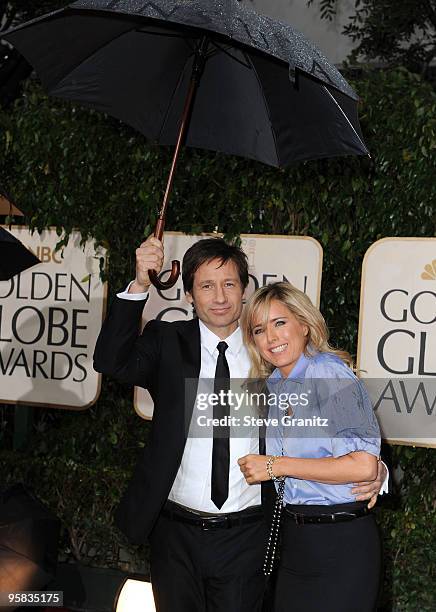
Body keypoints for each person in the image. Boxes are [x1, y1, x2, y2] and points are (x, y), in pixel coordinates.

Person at [93, 237, 387, 612]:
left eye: (229, 284)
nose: (219, 296)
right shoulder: (167, 342)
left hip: (249, 535)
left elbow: (337, 422)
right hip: (173, 533)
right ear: (188, 295)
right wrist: (139, 284)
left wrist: (375, 469)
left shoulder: (271, 357)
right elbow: (109, 360)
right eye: (206, 286)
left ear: (244, 290)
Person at [238, 282, 383, 612]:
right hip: (296, 540)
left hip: (341, 543)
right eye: (259, 330)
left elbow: (363, 466)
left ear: (304, 324)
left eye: (280, 323)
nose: (271, 338)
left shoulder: (329, 374)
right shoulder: (274, 385)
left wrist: (277, 465)